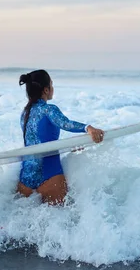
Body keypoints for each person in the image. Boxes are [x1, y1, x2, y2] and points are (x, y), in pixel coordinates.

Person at [17, 69, 104, 205]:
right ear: (46, 90)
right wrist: (88, 128)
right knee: (62, 222)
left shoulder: (24, 114)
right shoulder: (49, 109)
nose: (53, 88)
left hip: (25, 180)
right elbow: (66, 124)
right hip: (50, 176)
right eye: (51, 85)